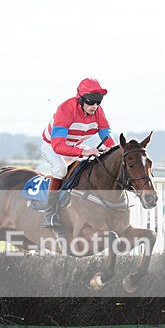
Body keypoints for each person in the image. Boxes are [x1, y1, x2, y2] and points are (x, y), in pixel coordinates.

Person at [40, 77, 117, 228]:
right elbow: (58, 146)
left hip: (76, 144)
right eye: (91, 101)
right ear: (80, 99)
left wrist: (113, 151)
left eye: (98, 101)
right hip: (52, 146)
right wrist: (84, 152)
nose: (95, 106)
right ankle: (49, 213)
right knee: (60, 169)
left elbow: (106, 135)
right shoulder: (66, 109)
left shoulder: (98, 111)